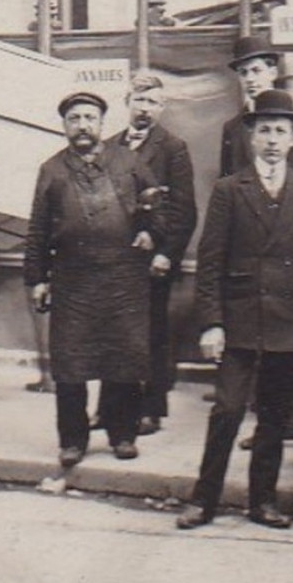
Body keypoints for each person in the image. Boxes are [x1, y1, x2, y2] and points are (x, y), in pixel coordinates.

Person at [177, 90, 293, 530]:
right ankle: (204, 499)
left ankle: (263, 501)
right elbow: (210, 261)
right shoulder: (229, 189)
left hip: (288, 319)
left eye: (282, 131)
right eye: (265, 131)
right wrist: (211, 324)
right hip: (239, 318)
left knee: (275, 416)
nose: (273, 140)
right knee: (227, 410)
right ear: (251, 137)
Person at [24, 92, 163, 467]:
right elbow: (38, 229)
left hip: (124, 277)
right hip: (73, 279)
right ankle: (73, 439)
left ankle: (123, 434)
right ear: (65, 125)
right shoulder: (51, 170)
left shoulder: (129, 161)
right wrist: (37, 278)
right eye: (74, 118)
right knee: (71, 362)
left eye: (89, 117)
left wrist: (151, 231)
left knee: (125, 357)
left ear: (102, 123)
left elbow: (157, 203)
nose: (82, 125)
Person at [104, 71, 197, 436]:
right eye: (139, 100)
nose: (145, 109)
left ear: (163, 108)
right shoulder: (110, 146)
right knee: (114, 332)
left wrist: (168, 255)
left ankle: (151, 408)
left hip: (153, 259)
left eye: (153, 102)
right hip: (115, 259)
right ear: (127, 102)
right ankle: (112, 409)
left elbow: (184, 210)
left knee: (151, 333)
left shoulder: (173, 149)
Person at [218, 36, 293, 178]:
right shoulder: (232, 128)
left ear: (272, 73)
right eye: (243, 73)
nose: (250, 79)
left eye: (256, 70)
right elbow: (225, 179)